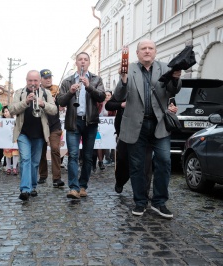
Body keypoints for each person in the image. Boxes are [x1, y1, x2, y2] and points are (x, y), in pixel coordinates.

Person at [114, 39, 182, 218]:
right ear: (137, 53)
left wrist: (175, 78)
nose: (147, 51)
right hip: (136, 124)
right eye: (143, 48)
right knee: (137, 165)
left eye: (150, 48)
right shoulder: (129, 69)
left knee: (164, 161)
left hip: (159, 123)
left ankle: (159, 202)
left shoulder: (165, 68)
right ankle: (140, 202)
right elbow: (118, 95)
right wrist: (122, 80)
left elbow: (172, 91)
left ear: (155, 52)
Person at [58, 52, 106, 199]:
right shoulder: (67, 81)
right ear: (76, 63)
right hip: (74, 122)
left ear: (89, 63)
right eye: (80, 60)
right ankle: (73, 187)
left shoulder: (96, 79)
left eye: (85, 60)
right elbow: (60, 101)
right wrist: (71, 92)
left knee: (87, 156)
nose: (83, 62)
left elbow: (102, 96)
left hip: (90, 122)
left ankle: (83, 185)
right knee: (73, 155)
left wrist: (89, 86)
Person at [9, 70, 57, 201]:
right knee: (25, 159)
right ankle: (25, 189)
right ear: (26, 80)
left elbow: (54, 110)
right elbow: (11, 109)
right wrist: (26, 102)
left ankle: (33, 186)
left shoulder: (46, 93)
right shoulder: (19, 93)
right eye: (30, 81)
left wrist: (42, 104)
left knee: (35, 162)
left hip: (39, 134)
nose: (33, 83)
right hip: (23, 133)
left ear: (39, 81)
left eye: (35, 81)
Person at [37, 69, 65, 188]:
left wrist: (56, 101)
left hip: (54, 125)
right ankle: (43, 175)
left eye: (50, 77)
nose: (48, 80)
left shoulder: (57, 91)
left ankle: (57, 178)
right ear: (40, 80)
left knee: (55, 149)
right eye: (45, 78)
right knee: (41, 152)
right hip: (41, 125)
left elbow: (63, 103)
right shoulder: (37, 92)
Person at [95, 90, 116, 171]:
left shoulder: (112, 105)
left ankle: (107, 158)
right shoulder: (99, 104)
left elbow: (114, 115)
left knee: (106, 144)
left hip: (109, 127)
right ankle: (100, 161)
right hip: (99, 126)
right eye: (106, 95)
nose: (107, 97)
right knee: (99, 143)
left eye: (109, 95)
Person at [1, 106, 19, 175]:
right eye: (4, 112)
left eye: (6, 111)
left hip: (14, 138)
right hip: (6, 139)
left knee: (15, 153)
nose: (5, 113)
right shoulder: (2, 120)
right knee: (7, 153)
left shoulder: (15, 119)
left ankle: (14, 167)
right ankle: (8, 167)